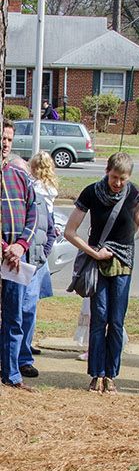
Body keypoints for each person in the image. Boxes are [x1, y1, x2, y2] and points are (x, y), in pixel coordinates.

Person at [61, 152, 139, 393]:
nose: (118, 183)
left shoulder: (133, 193)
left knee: (116, 321)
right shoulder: (91, 192)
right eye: (114, 177)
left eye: (123, 179)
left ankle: (111, 375)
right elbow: (70, 231)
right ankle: (95, 374)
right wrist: (94, 253)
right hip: (97, 263)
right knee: (99, 319)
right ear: (107, 171)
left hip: (123, 264)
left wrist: (123, 244)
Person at [0, 119, 38, 389]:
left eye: (9, 140)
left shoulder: (19, 175)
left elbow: (34, 213)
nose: (5, 144)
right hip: (5, 253)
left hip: (16, 260)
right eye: (2, 138)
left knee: (14, 318)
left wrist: (21, 245)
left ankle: (11, 375)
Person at [15, 152, 58, 380]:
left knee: (28, 310)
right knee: (14, 312)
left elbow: (50, 230)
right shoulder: (11, 203)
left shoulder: (40, 198)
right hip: (13, 262)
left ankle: (24, 359)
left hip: (34, 262)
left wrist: (42, 254)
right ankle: (11, 359)